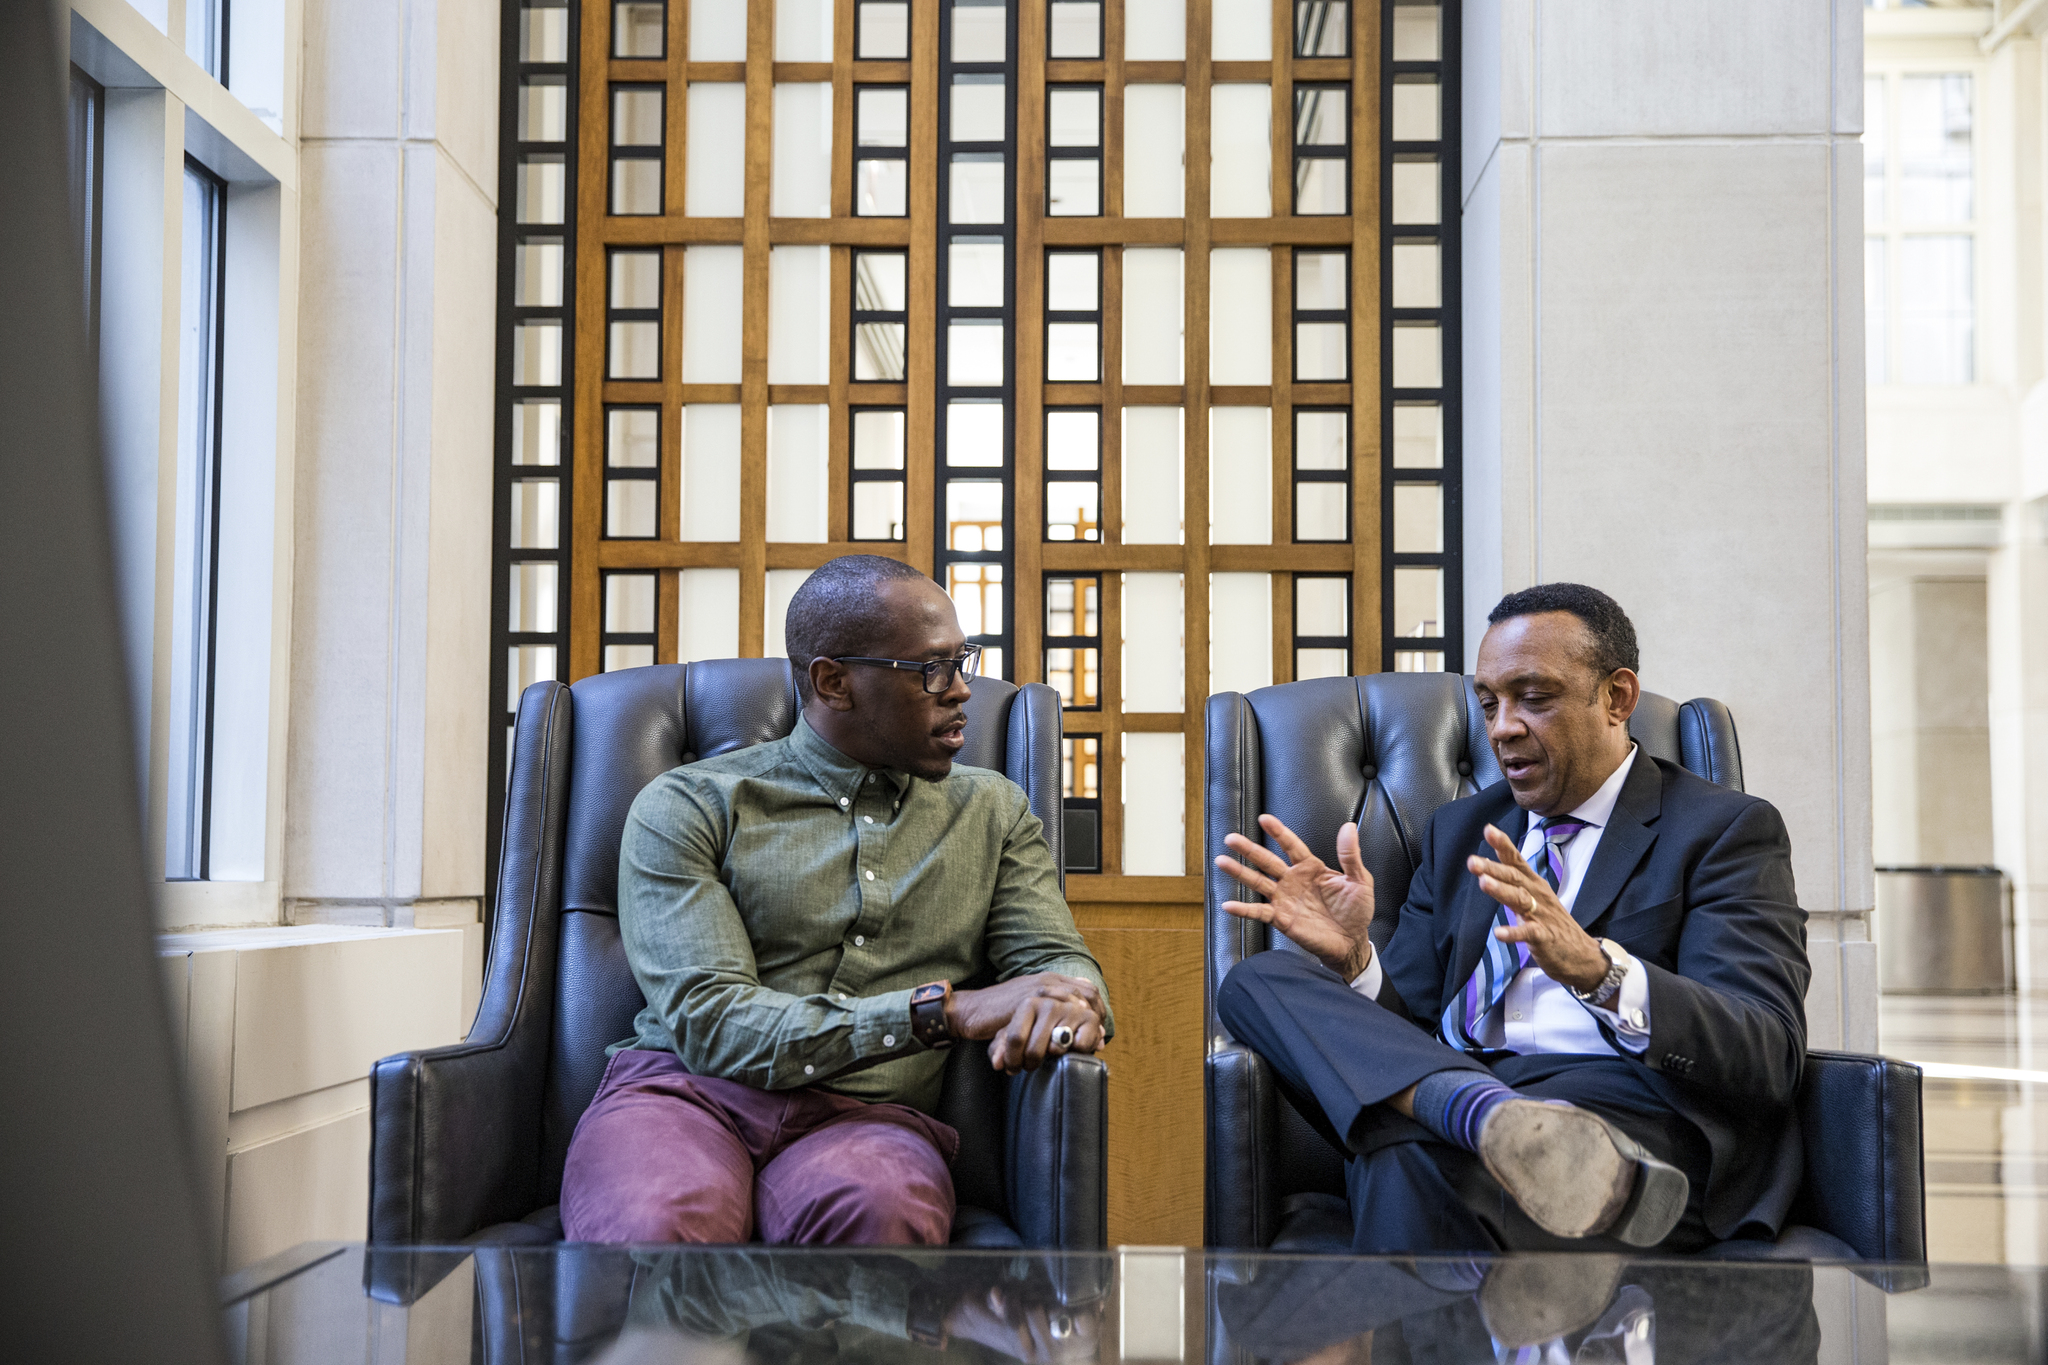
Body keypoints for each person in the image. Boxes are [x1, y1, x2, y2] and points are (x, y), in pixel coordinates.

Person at [1213, 583, 1809, 1253]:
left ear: (1617, 698)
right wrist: (1355, 962)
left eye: (1535, 697)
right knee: (1255, 979)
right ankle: (1485, 1117)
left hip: (1618, 1111)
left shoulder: (1722, 830)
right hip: (1468, 1081)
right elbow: (1405, 1029)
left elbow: (1768, 1048)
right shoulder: (1461, 829)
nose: (1502, 727)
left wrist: (1600, 971)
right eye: (1489, 703)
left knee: (1399, 1152)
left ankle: (1484, 1134)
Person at [560, 555, 1113, 1245]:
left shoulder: (992, 812)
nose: (962, 690)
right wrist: (940, 1013)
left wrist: (1070, 1004)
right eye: (933, 669)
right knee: (661, 1221)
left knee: (883, 1215)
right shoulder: (689, 805)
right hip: (686, 1093)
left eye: (963, 660)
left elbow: (1060, 961)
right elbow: (712, 1022)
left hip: (870, 1117)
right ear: (833, 682)